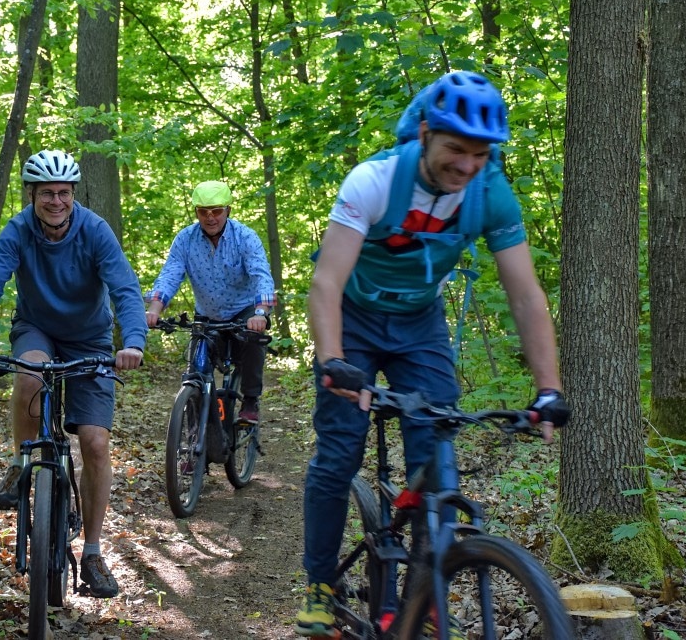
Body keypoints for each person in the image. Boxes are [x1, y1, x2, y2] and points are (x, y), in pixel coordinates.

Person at [295, 71, 572, 636]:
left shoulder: (491, 193)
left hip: (421, 323)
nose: (467, 165)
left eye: (480, 153)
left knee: (437, 446)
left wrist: (549, 388)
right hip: (356, 318)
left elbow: (524, 293)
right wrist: (332, 360)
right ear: (424, 133)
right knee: (340, 451)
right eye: (455, 149)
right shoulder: (374, 181)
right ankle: (321, 580)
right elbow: (326, 283)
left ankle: (425, 590)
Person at [0, 149, 146, 599]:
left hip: (90, 339)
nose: (55, 201)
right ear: (33, 195)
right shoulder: (19, 230)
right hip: (36, 328)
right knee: (29, 376)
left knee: (95, 443)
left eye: (63, 192)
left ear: (73, 194)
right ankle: (22, 463)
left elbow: (124, 288)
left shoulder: (95, 231)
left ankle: (94, 554)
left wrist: (132, 341)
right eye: (46, 193)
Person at [144, 180, 275, 424]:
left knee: (253, 341)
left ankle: (250, 400)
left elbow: (261, 275)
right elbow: (170, 274)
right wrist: (153, 309)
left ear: (228, 210)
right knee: (195, 373)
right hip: (207, 314)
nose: (210, 217)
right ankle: (193, 436)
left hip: (243, 310)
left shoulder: (245, 237)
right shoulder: (185, 239)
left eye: (216, 210)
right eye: (203, 211)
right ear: (196, 213)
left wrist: (260, 313)